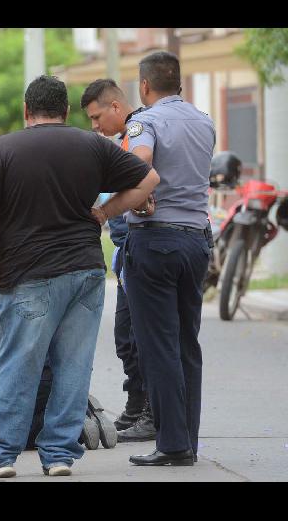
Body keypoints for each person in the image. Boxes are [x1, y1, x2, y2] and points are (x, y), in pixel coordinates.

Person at [0, 75, 159, 478]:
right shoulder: (92, 145)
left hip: (28, 274)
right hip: (85, 271)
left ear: (25, 110)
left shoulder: (5, 148)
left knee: (17, 365)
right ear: (66, 111)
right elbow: (148, 179)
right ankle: (58, 455)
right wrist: (105, 214)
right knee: (73, 366)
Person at [112, 52, 215, 467]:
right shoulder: (204, 120)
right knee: (186, 342)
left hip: (155, 242)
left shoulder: (144, 121)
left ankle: (172, 444)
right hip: (196, 240)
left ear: (144, 86)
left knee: (157, 346)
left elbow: (139, 163)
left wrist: (116, 204)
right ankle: (187, 439)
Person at [80, 79, 156, 440]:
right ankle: (135, 404)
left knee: (141, 334)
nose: (95, 126)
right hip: (126, 247)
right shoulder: (121, 139)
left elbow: (143, 173)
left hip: (142, 241)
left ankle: (151, 412)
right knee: (126, 335)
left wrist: (106, 212)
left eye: (97, 117)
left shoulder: (139, 132)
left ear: (115, 107)